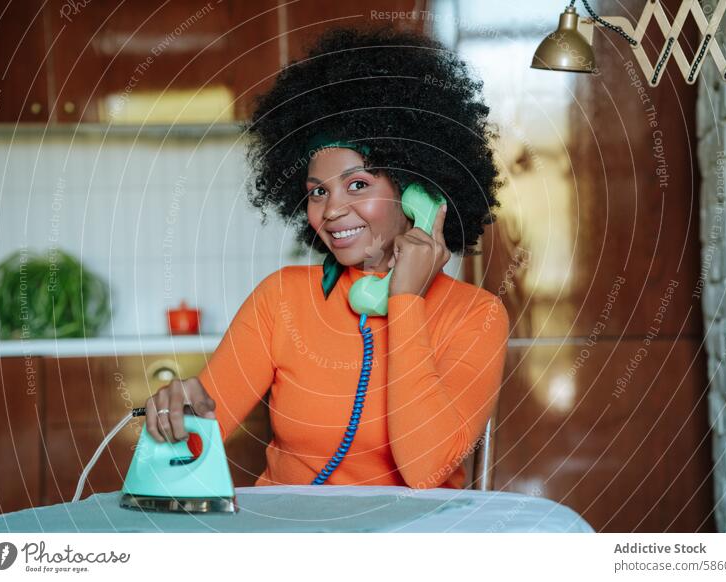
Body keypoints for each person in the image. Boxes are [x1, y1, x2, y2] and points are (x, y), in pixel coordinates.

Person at [144, 25, 509, 489]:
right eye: (318, 191)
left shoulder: (476, 316)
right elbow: (191, 447)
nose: (332, 210)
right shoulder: (282, 300)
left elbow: (425, 470)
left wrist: (405, 302)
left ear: (418, 192)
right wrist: (175, 419)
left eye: (358, 184)